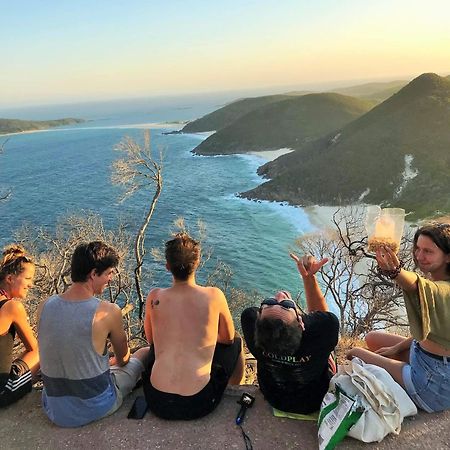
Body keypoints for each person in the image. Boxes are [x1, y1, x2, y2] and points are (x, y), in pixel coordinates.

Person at [38, 241, 149, 427]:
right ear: (93, 274)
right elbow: (123, 359)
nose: (111, 278)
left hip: (54, 408)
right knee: (144, 352)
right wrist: (113, 362)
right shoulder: (107, 311)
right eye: (108, 273)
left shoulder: (45, 306)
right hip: (96, 406)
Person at [347, 222, 450, 413]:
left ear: (448, 257)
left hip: (433, 385)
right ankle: (399, 367)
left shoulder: (442, 290)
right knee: (372, 338)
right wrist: (396, 348)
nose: (419, 256)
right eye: (418, 248)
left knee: (355, 353)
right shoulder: (440, 284)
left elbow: (417, 285)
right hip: (427, 359)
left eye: (428, 251)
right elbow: (429, 328)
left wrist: (395, 271)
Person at [143, 232, 244, 420]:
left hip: (157, 400)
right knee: (237, 342)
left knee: (150, 351)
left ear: (167, 266)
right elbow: (227, 338)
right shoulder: (214, 295)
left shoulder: (154, 297)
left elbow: (152, 341)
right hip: (198, 403)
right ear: (197, 263)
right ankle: (233, 389)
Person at [241, 253, 339, 414]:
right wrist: (309, 278)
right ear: (301, 323)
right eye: (286, 305)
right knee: (329, 349)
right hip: (314, 400)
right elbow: (322, 319)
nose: (279, 295)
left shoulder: (250, 320)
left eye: (270, 302)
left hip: (274, 398)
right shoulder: (324, 329)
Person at [0, 245, 39, 407]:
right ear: (10, 278)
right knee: (44, 348)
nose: (31, 285)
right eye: (28, 279)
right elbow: (34, 348)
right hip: (2, 392)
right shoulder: (12, 307)